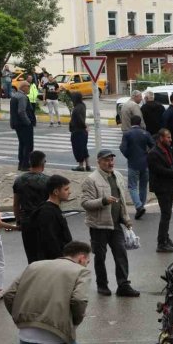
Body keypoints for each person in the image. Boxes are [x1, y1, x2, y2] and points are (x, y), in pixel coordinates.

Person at [80, 149, 140, 297]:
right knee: (100, 257)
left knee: (121, 254)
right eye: (106, 160)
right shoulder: (91, 179)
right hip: (98, 226)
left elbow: (122, 202)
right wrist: (103, 201)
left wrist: (126, 219)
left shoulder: (117, 176)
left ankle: (123, 285)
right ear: (99, 162)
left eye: (112, 159)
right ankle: (102, 285)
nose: (110, 163)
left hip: (116, 224)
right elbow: (85, 203)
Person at [13, 151, 49, 263]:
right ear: (43, 163)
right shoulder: (48, 181)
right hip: (45, 221)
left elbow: (15, 204)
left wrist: (18, 221)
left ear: (30, 162)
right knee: (46, 255)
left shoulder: (19, 180)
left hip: (27, 221)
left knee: (31, 255)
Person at [147, 129, 173, 252]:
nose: (170, 140)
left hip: (169, 186)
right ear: (161, 138)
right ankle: (161, 243)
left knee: (168, 214)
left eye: (170, 137)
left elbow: (171, 164)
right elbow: (158, 170)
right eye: (168, 137)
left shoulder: (167, 150)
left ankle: (166, 238)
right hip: (161, 187)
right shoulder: (153, 153)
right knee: (165, 214)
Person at [120, 115, 155, 220]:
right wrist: (147, 154)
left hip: (133, 164)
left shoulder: (127, 134)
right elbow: (153, 145)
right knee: (143, 187)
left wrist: (129, 156)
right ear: (140, 123)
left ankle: (138, 206)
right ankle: (141, 206)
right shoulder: (145, 133)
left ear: (131, 122)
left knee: (132, 186)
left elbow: (122, 148)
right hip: (145, 163)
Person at [30, 175, 72, 261]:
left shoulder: (54, 208)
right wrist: (61, 258)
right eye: (66, 189)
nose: (69, 192)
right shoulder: (47, 212)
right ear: (56, 192)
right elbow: (50, 239)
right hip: (55, 260)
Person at [10, 81, 36, 171]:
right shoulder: (22, 97)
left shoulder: (15, 96)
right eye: (28, 86)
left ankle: (21, 164)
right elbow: (21, 111)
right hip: (24, 125)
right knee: (28, 145)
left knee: (22, 144)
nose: (29, 88)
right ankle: (25, 165)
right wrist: (28, 122)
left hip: (17, 124)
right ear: (23, 87)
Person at [69, 91, 91, 172]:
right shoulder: (82, 105)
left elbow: (80, 119)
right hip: (82, 131)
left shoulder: (77, 108)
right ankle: (88, 165)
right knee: (84, 148)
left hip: (77, 130)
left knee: (78, 148)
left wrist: (85, 126)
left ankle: (81, 166)